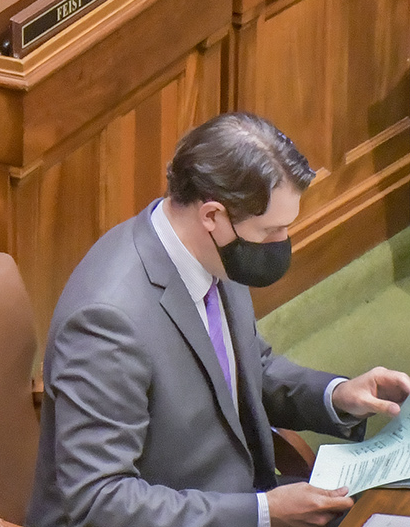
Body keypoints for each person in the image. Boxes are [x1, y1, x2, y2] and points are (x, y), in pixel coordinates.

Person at [31, 113, 410, 527]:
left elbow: (247, 368)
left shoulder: (213, 253)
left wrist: (337, 396)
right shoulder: (106, 322)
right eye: (271, 232)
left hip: (240, 498)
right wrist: (263, 513)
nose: (281, 245)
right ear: (212, 216)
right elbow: (99, 501)